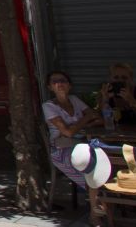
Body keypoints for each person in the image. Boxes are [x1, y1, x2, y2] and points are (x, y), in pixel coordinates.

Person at [43, 69, 104, 210]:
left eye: (63, 80)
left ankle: (104, 202)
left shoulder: (75, 100)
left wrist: (81, 122)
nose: (59, 84)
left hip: (83, 144)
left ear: (69, 85)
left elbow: (97, 118)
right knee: (90, 169)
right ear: (50, 87)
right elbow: (68, 132)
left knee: (103, 160)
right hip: (62, 149)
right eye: (55, 81)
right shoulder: (48, 106)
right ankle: (99, 207)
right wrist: (86, 119)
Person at [96, 62, 136, 127]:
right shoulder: (104, 93)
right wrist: (105, 100)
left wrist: (132, 101)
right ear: (110, 79)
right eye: (116, 77)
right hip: (113, 133)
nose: (120, 80)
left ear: (131, 78)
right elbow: (99, 120)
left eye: (124, 77)